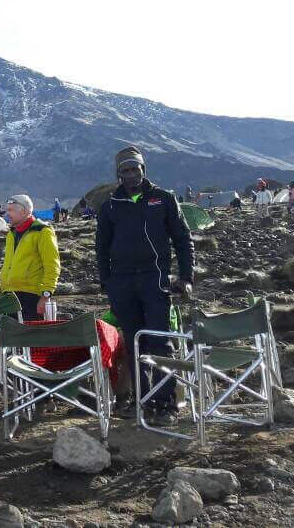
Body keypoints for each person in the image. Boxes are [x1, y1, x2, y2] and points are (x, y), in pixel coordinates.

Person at [96, 145, 193, 426]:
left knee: (160, 342)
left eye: (135, 169)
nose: (130, 175)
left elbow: (183, 240)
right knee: (134, 344)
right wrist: (108, 283)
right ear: (118, 175)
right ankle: (144, 401)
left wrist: (185, 277)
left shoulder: (162, 199)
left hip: (156, 279)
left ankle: (166, 405)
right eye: (125, 171)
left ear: (143, 170)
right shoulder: (110, 205)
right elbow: (101, 248)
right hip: (123, 283)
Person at [0, 195, 61, 321]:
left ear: (24, 211)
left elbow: (52, 266)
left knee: (30, 338)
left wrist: (46, 296)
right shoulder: (11, 233)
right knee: (12, 338)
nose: (7, 214)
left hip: (31, 297)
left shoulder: (43, 231)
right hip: (10, 296)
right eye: (7, 210)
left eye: (11, 210)